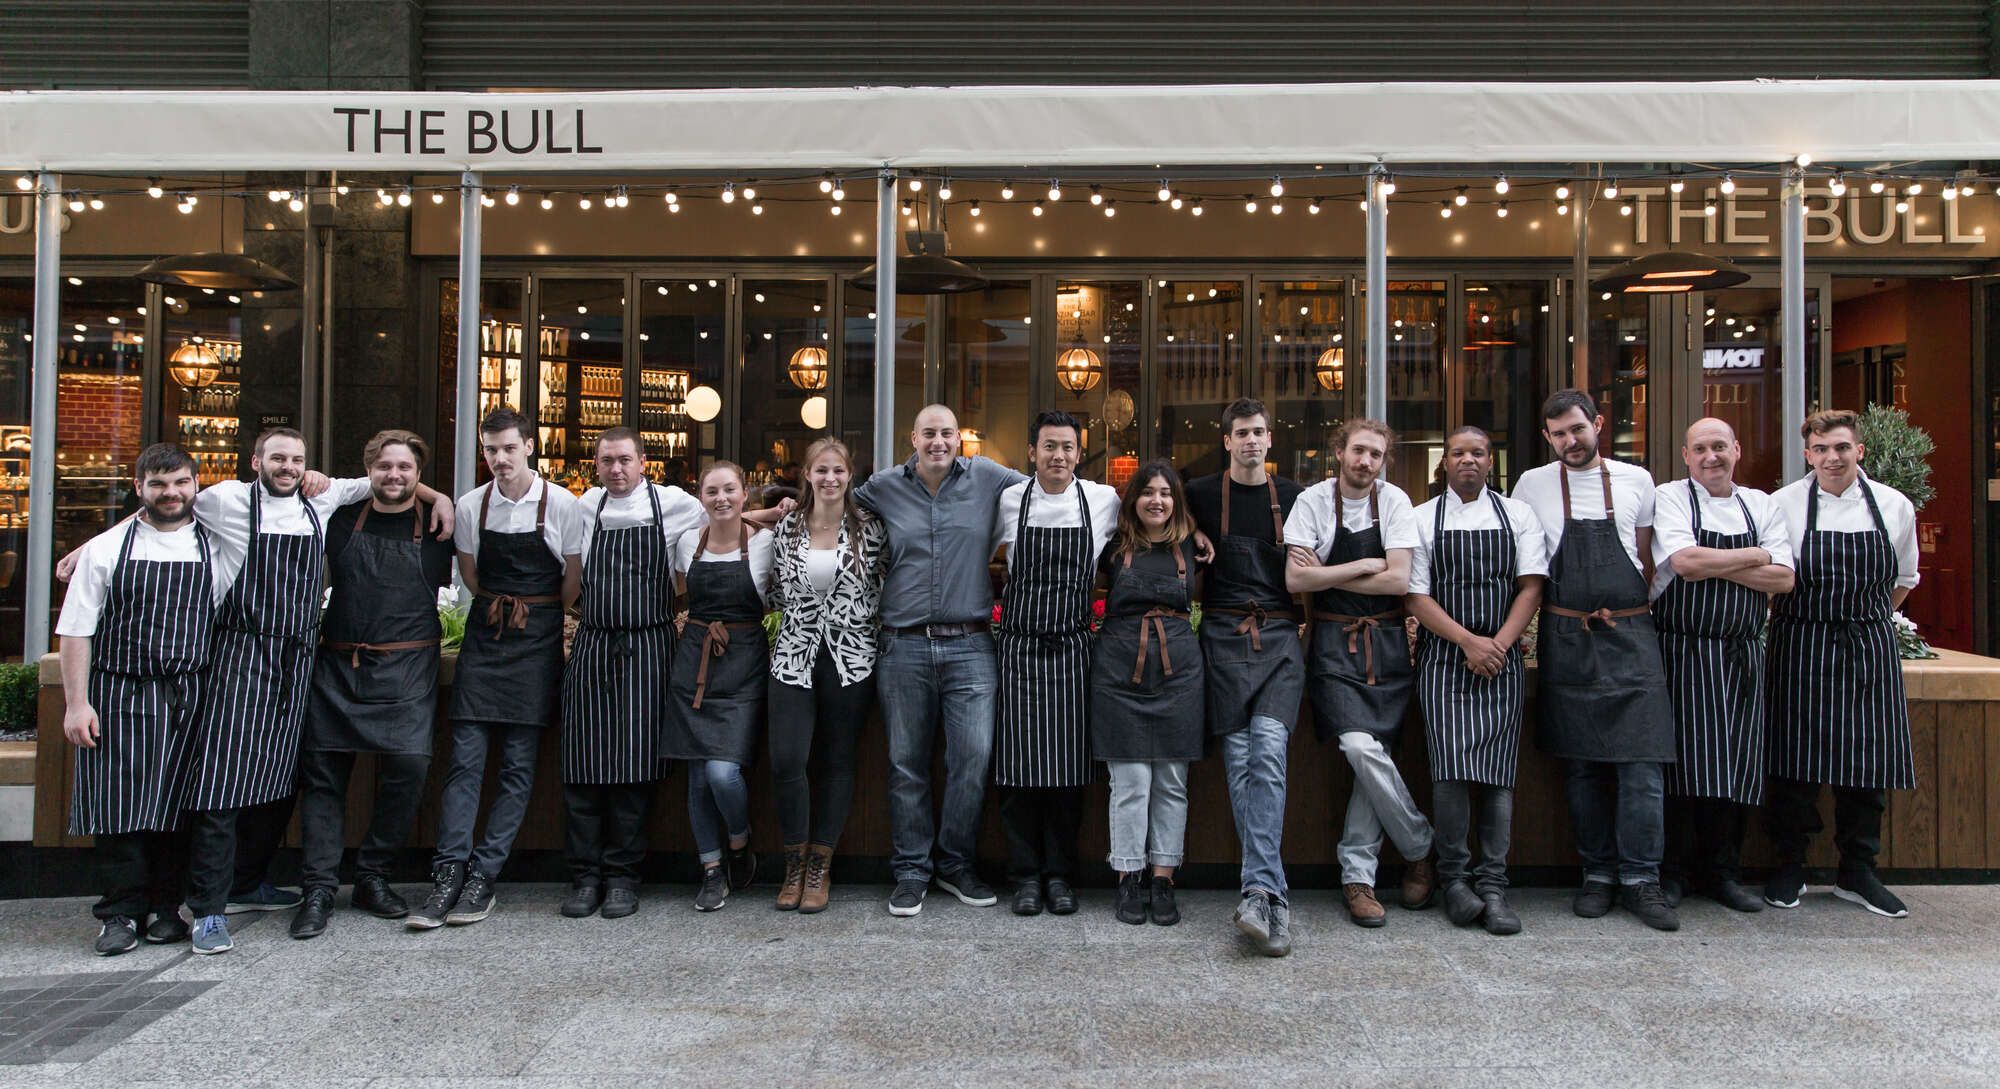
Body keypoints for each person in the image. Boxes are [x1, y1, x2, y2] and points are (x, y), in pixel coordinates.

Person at [180, 427, 435, 954]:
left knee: (283, 776)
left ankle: (274, 881)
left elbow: (400, 481)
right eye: (278, 457)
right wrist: (87, 552)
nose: (289, 467)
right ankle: (228, 903)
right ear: (256, 460)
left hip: (300, 659)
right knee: (231, 780)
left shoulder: (325, 501)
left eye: (296, 459)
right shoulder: (229, 499)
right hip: (251, 654)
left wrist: (441, 497)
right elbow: (162, 507)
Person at [1511, 390, 1679, 931]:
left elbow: (1649, 557)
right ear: (1547, 437)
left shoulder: (1638, 480)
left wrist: (1631, 612)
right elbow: (1528, 564)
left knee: (1643, 767)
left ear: (1598, 424)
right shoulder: (1530, 485)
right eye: (1558, 434)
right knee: (1581, 769)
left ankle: (1642, 879)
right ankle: (1598, 875)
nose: (1570, 441)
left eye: (1577, 430)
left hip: (1631, 632)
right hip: (1567, 635)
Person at [409, 407, 583, 929]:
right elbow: (470, 573)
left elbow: (571, 581)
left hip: (538, 636)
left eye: (509, 448)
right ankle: (447, 874)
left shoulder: (562, 504)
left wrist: (536, 611)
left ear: (530, 446)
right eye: (491, 450)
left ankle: (484, 875)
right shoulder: (469, 504)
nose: (500, 459)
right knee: (464, 761)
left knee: (517, 767)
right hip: (487, 636)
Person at [852, 404, 1026, 917]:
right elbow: (827, 504)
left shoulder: (991, 476)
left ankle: (954, 863)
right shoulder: (883, 486)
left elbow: (1049, 492)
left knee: (972, 758)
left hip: (971, 645)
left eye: (947, 433)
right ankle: (910, 870)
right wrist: (760, 515)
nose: (938, 442)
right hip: (902, 645)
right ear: (913, 437)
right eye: (928, 433)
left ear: (959, 439)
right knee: (907, 764)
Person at [291, 430, 457, 940]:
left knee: (410, 766)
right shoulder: (337, 518)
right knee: (323, 778)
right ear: (368, 470)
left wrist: (439, 498)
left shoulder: (436, 527)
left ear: (418, 474)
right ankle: (317, 888)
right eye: (384, 466)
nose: (394, 476)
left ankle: (372, 874)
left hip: (408, 669)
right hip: (340, 665)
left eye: (405, 468)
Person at [56, 444, 220, 955]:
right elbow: (77, 631)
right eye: (157, 484)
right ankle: (120, 914)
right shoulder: (107, 549)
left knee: (180, 805)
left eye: (180, 483)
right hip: (120, 690)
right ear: (139, 489)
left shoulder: (216, 542)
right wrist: (76, 704)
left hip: (191, 691)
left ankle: (169, 909)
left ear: (196, 485)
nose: (170, 494)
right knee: (121, 808)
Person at [1764, 409, 1921, 918]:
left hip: (1868, 645)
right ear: (1807, 454)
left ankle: (1858, 872)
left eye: (1842, 448)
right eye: (1821, 449)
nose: (1832, 458)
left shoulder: (1894, 506)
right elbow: (1773, 576)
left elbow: (1904, 580)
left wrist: (1862, 620)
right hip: (1800, 643)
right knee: (1793, 766)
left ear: (1860, 451)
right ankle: (1790, 867)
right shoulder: (1782, 504)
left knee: (1866, 765)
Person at [1284, 419, 1433, 929]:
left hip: (1386, 646)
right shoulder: (1312, 502)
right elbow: (1295, 577)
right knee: (1359, 746)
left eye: (1376, 454)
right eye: (1359, 451)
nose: (1366, 462)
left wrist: (1331, 573)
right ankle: (1418, 843)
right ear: (1339, 452)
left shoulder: (1395, 502)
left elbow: (1398, 580)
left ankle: (1358, 879)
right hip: (1330, 645)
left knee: (1377, 754)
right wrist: (1360, 565)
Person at [558, 427, 707, 920]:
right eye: (607, 462)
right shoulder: (584, 508)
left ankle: (623, 877)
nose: (616, 470)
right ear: (596, 466)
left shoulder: (674, 504)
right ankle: (585, 878)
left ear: (644, 462)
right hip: (595, 643)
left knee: (633, 771)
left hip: (649, 647)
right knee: (581, 769)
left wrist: (771, 513)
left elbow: (725, 517)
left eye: (625, 460)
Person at [1649, 418, 1794, 914]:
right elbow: (1685, 564)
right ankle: (1671, 872)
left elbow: (1784, 580)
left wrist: (1722, 562)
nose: (1711, 456)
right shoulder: (1670, 497)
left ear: (1737, 449)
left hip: (1742, 654)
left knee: (1736, 765)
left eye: (1720, 447)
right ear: (1686, 456)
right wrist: (1755, 555)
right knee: (1680, 765)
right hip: (1682, 653)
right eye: (1701, 449)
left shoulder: (1762, 503)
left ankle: (1722, 872)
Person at [1405, 427, 1547, 936]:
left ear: (1491, 462)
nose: (1469, 460)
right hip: (1444, 659)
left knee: (1497, 776)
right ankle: (1455, 881)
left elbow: (1530, 586)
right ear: (1444, 463)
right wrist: (1468, 641)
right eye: (1459, 453)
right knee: (1449, 773)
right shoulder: (1422, 519)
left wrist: (1499, 645)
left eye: (1478, 453)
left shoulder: (1518, 515)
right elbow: (1415, 596)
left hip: (1501, 656)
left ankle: (1493, 885)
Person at [1184, 397, 1307, 957]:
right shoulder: (1202, 494)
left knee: (1270, 750)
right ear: (1227, 441)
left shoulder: (1298, 496)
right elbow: (1157, 512)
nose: (1252, 441)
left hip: (1281, 640)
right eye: (1242, 433)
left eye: (1259, 432)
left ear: (1269, 439)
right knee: (1240, 760)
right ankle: (1268, 895)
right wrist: (1192, 533)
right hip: (1224, 640)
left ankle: (1259, 891)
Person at [990, 411, 1120, 917]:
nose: (1058, 456)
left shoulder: (1102, 500)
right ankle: (1024, 877)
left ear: (1079, 453)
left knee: (1067, 775)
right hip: (1019, 650)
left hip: (1072, 650)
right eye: (1049, 446)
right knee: (1017, 774)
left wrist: (1191, 540)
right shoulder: (1009, 500)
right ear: (1031, 452)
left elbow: (1145, 532)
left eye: (1067, 447)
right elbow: (975, 552)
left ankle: (1061, 876)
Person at [767, 437, 886, 913]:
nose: (830, 479)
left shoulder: (871, 530)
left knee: (838, 761)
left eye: (838, 470)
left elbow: (886, 584)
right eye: (821, 471)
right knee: (787, 760)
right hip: (793, 654)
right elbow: (775, 590)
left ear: (849, 475)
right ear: (808, 476)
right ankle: (794, 861)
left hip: (851, 657)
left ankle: (820, 866)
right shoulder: (787, 526)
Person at [1090, 460, 1204, 927]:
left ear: (1177, 501)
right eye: (1147, 492)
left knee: (1173, 782)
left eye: (1166, 493)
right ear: (1131, 499)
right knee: (1131, 782)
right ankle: (1128, 877)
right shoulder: (1110, 545)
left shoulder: (1194, 548)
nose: (1157, 500)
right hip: (1120, 669)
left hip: (1179, 671)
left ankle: (1163, 877)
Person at [664, 461, 777, 912]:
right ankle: (711, 869)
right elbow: (678, 590)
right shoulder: (688, 540)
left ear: (745, 492)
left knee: (721, 772)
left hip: (745, 663)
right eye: (712, 491)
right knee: (696, 776)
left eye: (730, 489)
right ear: (701, 495)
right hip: (694, 661)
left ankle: (738, 839)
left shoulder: (765, 543)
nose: (721, 498)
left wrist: (770, 513)